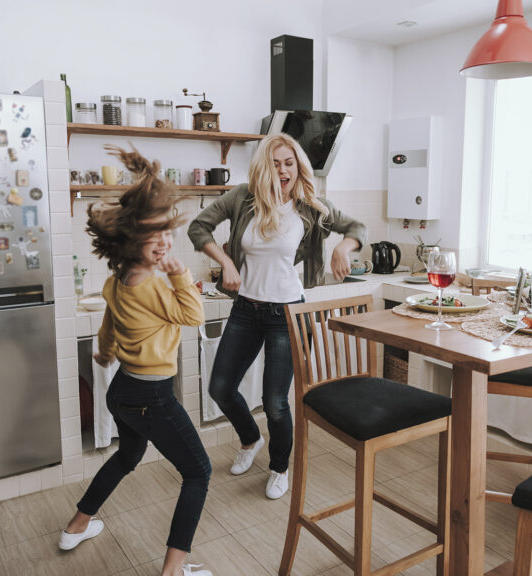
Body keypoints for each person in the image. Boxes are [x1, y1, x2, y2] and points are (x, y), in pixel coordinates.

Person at [59, 146, 212, 576]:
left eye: (167, 232)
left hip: (122, 390)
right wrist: (180, 271)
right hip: (152, 396)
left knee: (128, 455)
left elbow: (108, 325)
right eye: (154, 235)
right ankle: (173, 569)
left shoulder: (119, 280)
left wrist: (105, 352)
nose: (165, 241)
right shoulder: (157, 289)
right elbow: (193, 315)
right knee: (199, 471)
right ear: (130, 241)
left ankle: (77, 525)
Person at [187, 133, 367, 499]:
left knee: (275, 402)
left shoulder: (310, 206)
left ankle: (279, 467)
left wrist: (343, 249)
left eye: (289, 163)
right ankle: (250, 439)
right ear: (263, 166)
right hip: (246, 309)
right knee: (220, 387)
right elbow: (198, 227)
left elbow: (356, 228)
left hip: (287, 313)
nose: (283, 170)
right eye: (275, 162)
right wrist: (225, 264)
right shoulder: (242, 197)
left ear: (298, 166)